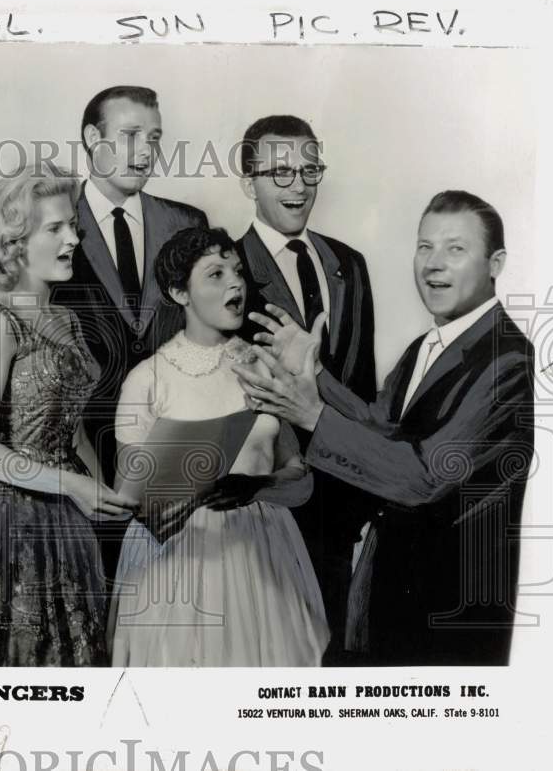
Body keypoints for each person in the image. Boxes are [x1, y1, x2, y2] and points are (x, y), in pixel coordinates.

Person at [236, 190, 534, 665]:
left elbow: (425, 476)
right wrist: (314, 377)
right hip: (394, 589)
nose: (433, 265)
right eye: (424, 247)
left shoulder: (508, 361)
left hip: (451, 609)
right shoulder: (425, 345)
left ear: (496, 263)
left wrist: (313, 415)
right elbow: (381, 426)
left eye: (455, 249)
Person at [0, 164, 137, 667]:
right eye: (55, 228)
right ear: (13, 242)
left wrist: (104, 493)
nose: (73, 238)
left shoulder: (64, 317)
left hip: (68, 517)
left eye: (73, 225)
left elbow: (71, 434)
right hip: (6, 521)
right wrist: (72, 485)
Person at [110, 226, 328, 667]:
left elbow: (298, 474)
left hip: (262, 555)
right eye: (215, 274)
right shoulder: (147, 379)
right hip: (179, 563)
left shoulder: (264, 364)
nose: (235, 283)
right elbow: (127, 498)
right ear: (178, 292)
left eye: (237, 271)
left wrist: (259, 485)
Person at [52, 85, 209, 588]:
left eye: (155, 138)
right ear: (91, 138)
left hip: (175, 465)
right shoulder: (52, 222)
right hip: (79, 466)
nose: (145, 151)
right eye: (129, 135)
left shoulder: (187, 224)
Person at [235, 114, 378, 659]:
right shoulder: (226, 269)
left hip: (344, 501)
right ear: (248, 182)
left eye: (310, 170)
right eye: (280, 172)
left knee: (336, 652)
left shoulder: (350, 264)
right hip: (268, 501)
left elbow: (361, 384)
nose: (299, 185)